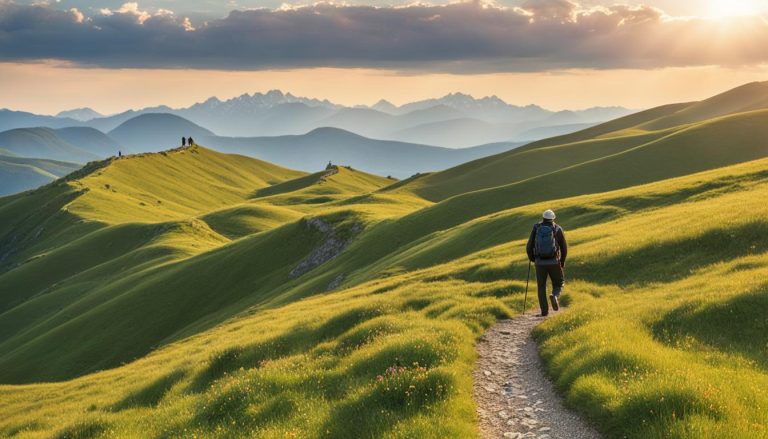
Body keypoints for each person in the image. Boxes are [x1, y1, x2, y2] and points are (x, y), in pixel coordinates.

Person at [526, 209, 568, 317]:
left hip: (540, 263)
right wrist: (562, 262)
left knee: (541, 287)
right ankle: (554, 296)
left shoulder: (536, 228)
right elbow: (564, 248)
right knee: (559, 283)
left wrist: (533, 259)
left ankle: (544, 312)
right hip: (554, 262)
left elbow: (529, 246)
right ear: (553, 218)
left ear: (543, 218)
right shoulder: (557, 228)